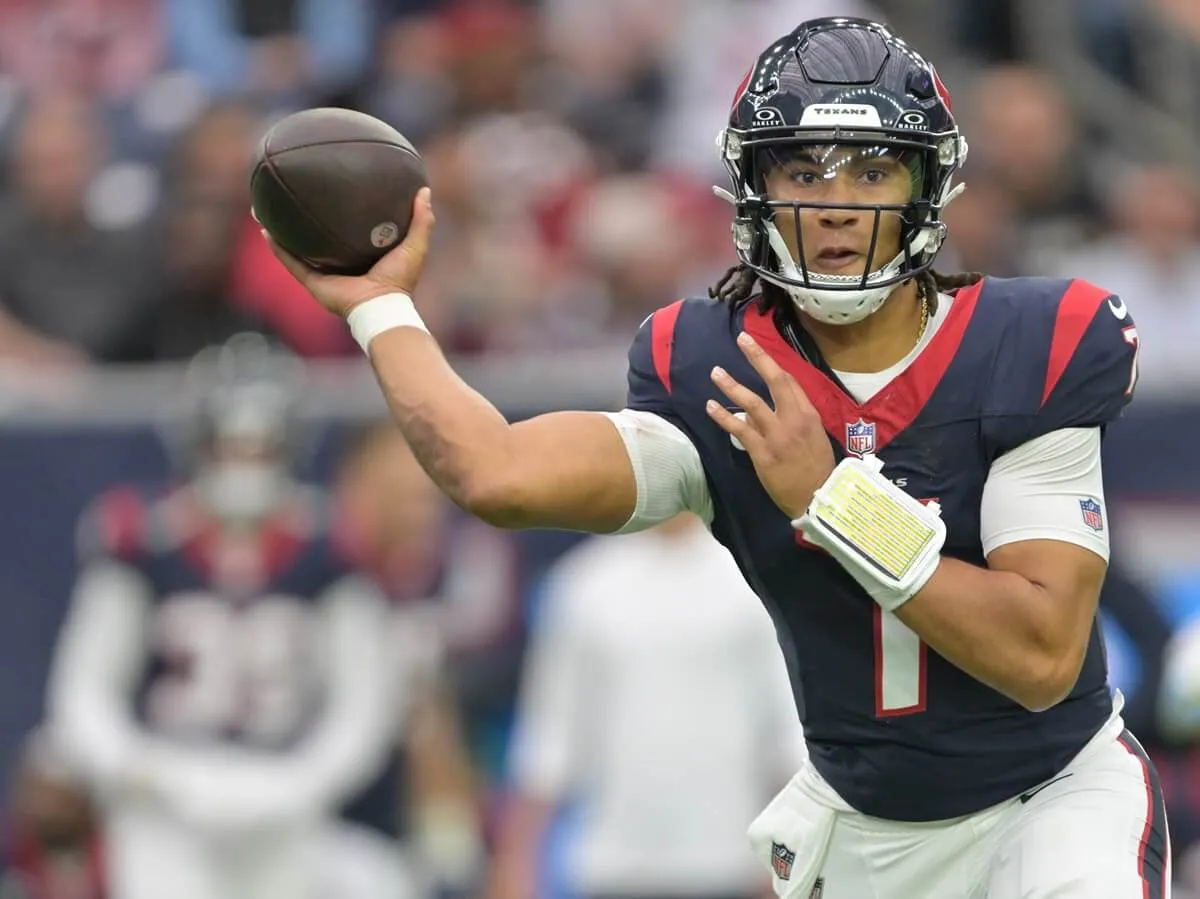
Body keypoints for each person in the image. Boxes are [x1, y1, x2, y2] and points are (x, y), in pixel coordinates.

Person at [265, 17, 1168, 899]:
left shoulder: (1033, 342)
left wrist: (834, 498)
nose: (836, 203)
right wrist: (381, 309)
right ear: (752, 185)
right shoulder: (712, 369)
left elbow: (1042, 654)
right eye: (803, 168)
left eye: (873, 168)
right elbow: (493, 472)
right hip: (864, 827)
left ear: (927, 186)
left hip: (1048, 802)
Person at [46, 334, 415, 899]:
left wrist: (305, 780)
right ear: (198, 443)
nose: (245, 465)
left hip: (282, 792)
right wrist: (144, 773)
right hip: (164, 802)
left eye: (262, 447)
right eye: (231, 446)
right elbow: (83, 692)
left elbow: (366, 698)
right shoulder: (144, 539)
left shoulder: (326, 549)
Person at [489, 512, 805, 899]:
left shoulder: (753, 583)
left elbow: (786, 741)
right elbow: (547, 743)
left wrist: (785, 864)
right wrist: (513, 867)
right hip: (612, 868)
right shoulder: (583, 587)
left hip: (731, 866)